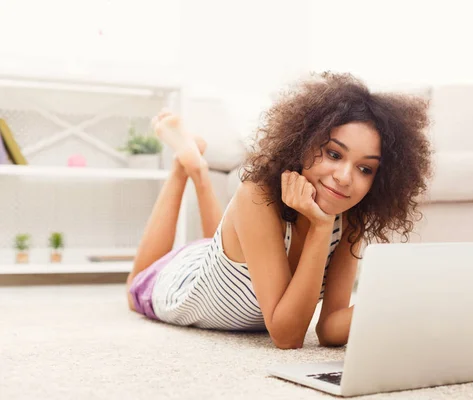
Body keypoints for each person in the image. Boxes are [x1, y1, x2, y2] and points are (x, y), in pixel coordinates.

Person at [126, 72, 432, 349]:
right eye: (333, 153)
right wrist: (321, 228)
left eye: (365, 168)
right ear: (304, 142)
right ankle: (189, 167)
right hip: (186, 280)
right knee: (134, 288)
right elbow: (288, 336)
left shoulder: (351, 217)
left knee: (216, 246)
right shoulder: (258, 196)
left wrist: (393, 301)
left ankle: (197, 166)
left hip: (224, 257)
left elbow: (329, 328)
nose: (344, 177)